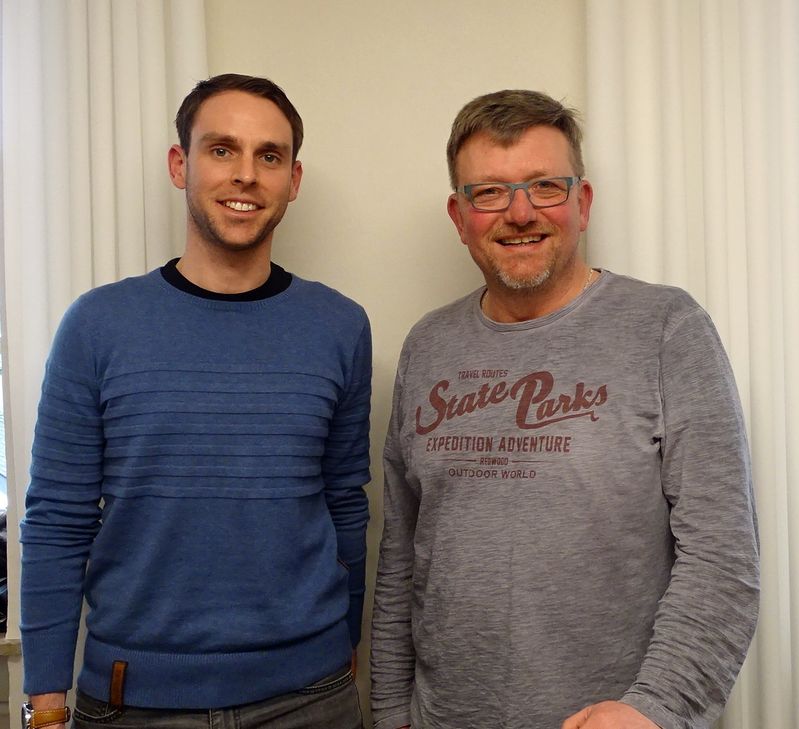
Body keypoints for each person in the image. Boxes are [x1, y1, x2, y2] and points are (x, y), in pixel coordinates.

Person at [369, 90, 759, 729]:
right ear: (459, 214)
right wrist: (389, 711)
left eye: (544, 186)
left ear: (582, 201)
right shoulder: (428, 346)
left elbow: (723, 557)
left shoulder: (666, 327)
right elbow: (403, 553)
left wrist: (653, 710)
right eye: (489, 192)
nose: (520, 213)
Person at [20, 74, 371, 729]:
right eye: (221, 150)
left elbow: (344, 501)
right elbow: (58, 521)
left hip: (312, 697)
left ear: (293, 179)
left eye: (268, 156)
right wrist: (43, 699)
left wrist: (344, 640)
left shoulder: (340, 326)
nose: (245, 174)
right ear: (180, 164)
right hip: (135, 700)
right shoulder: (98, 326)